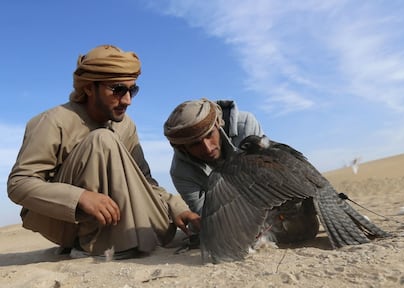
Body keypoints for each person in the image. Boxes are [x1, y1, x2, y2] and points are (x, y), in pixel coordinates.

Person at [7, 44, 200, 259]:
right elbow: (19, 184)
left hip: (114, 215)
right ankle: (93, 244)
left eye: (132, 90)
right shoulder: (52, 121)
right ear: (89, 88)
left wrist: (177, 208)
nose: (127, 100)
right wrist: (80, 197)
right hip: (67, 220)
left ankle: (130, 237)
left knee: (163, 229)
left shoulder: (126, 125)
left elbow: (144, 180)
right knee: (103, 138)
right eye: (117, 90)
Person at [163, 98, 264, 217]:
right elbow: (207, 215)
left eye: (210, 134)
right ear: (183, 148)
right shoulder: (180, 172)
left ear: (217, 123)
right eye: (195, 144)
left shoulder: (246, 127)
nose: (208, 148)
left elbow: (264, 182)